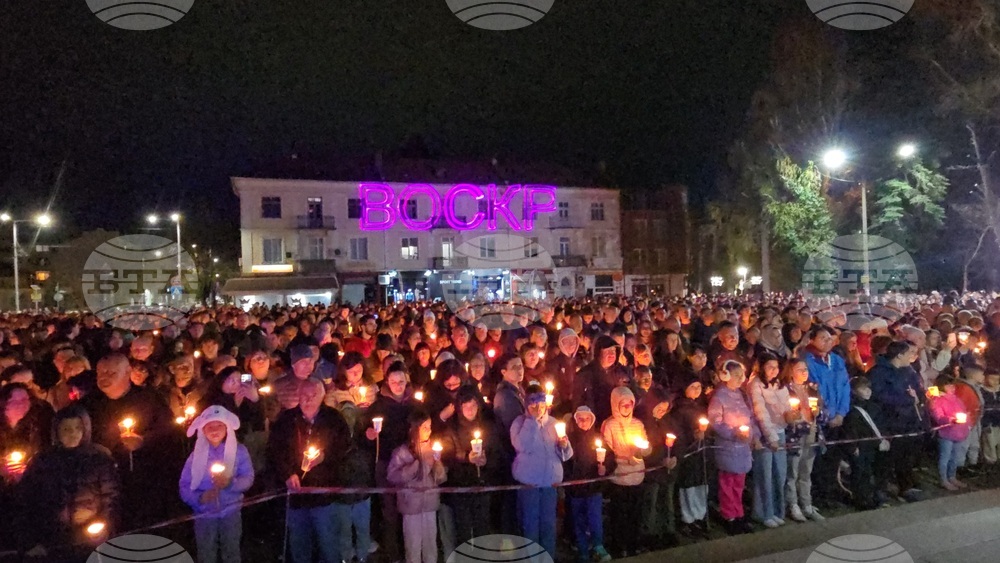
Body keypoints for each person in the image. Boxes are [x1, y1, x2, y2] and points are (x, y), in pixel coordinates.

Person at [15, 405, 119, 561]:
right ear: (56, 431)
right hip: (52, 539)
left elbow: (111, 497)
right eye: (66, 429)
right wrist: (30, 540)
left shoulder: (99, 458)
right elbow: (27, 501)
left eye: (78, 428)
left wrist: (105, 527)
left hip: (89, 537)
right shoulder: (43, 461)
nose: (73, 434)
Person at [266, 377, 353, 563]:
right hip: (297, 496)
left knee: (329, 545)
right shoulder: (287, 420)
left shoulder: (334, 419)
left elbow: (345, 447)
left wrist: (325, 456)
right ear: (298, 395)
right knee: (299, 546)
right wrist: (287, 474)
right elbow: (275, 451)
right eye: (305, 394)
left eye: (314, 395)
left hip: (324, 495)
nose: (309, 399)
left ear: (322, 396)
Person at [179, 405, 255, 563]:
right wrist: (199, 498)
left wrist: (230, 484)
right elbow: (184, 485)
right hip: (204, 513)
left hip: (231, 511)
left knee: (231, 551)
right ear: (203, 430)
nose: (215, 430)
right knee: (206, 552)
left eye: (219, 425)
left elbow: (248, 477)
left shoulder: (238, 452)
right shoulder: (196, 456)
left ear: (227, 427)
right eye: (210, 426)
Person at [511, 384, 573, 559]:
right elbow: (522, 446)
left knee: (548, 526)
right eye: (533, 405)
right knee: (530, 527)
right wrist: (532, 422)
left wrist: (564, 445)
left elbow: (566, 455)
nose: (538, 408)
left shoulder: (553, 423)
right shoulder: (519, 423)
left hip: (549, 484)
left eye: (541, 404)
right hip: (530, 484)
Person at [440, 386, 498, 552]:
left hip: (483, 484)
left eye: (473, 405)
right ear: (459, 408)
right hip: (461, 486)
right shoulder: (452, 429)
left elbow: (497, 453)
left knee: (482, 527)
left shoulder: (488, 427)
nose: (470, 410)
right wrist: (466, 458)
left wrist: (486, 462)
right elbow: (447, 455)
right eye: (466, 406)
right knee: (463, 529)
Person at [387, 410, 448, 563]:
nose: (429, 431)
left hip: (429, 505)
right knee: (413, 545)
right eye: (425, 427)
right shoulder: (402, 452)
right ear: (414, 429)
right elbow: (392, 476)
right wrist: (415, 465)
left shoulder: (433, 449)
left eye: (430, 427)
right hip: (411, 506)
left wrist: (438, 464)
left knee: (430, 545)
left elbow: (441, 478)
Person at [869, 341, 925, 502]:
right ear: (899, 355)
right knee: (885, 459)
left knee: (905, 456)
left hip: (908, 421)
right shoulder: (879, 373)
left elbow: (918, 389)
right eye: (909, 353)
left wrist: (919, 397)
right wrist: (907, 400)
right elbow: (879, 396)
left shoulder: (909, 371)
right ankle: (881, 488)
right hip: (888, 421)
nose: (912, 357)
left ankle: (905, 486)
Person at [708, 360, 757, 535]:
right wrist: (733, 433)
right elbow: (715, 422)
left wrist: (754, 435)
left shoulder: (743, 395)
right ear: (725, 375)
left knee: (739, 483)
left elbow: (750, 418)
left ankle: (739, 513)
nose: (739, 379)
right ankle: (729, 516)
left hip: (743, 448)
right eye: (736, 375)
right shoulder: (719, 397)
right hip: (728, 447)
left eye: (741, 375)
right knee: (727, 484)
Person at [565, 405, 615, 563]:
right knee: (578, 519)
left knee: (595, 518)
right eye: (580, 419)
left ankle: (598, 546)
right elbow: (564, 461)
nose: (584, 422)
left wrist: (604, 469)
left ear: (592, 420)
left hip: (594, 488)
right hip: (576, 488)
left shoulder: (597, 439)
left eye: (587, 419)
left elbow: (610, 459)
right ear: (575, 420)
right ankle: (582, 550)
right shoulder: (570, 439)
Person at [748, 353, 790, 528]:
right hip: (764, 433)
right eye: (770, 367)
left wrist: (791, 416)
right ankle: (763, 512)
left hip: (780, 430)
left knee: (779, 473)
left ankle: (777, 511)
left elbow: (786, 406)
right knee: (764, 474)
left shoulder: (779, 384)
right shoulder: (755, 385)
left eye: (776, 367)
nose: (774, 370)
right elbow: (761, 413)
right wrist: (771, 436)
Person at [636, 385, 680, 549]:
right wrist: (658, 460)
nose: (662, 411)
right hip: (652, 471)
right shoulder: (643, 422)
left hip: (667, 470)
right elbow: (645, 448)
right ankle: (649, 533)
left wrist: (675, 456)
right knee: (651, 503)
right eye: (659, 408)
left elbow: (678, 441)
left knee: (667, 501)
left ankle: (668, 530)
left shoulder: (667, 421)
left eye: (665, 408)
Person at [781, 359, 824, 522]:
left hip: (812, 433)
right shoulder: (785, 390)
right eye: (799, 370)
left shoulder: (812, 389)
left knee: (806, 471)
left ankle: (807, 503)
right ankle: (792, 504)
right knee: (793, 471)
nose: (804, 372)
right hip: (795, 434)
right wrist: (791, 417)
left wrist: (818, 412)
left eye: (805, 369)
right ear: (791, 372)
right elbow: (783, 414)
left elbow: (822, 412)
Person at [843, 377, 889, 510]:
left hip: (874, 445)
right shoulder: (852, 409)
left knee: (873, 471)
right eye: (863, 388)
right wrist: (853, 446)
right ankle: (861, 499)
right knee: (861, 472)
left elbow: (881, 424)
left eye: (868, 388)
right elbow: (850, 430)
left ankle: (874, 496)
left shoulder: (874, 407)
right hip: (861, 446)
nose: (867, 391)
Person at [929, 374, 972, 491]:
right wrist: (950, 419)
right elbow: (938, 417)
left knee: (955, 457)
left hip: (959, 432)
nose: (952, 387)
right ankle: (943, 479)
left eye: (953, 384)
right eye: (949, 385)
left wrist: (967, 425)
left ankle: (952, 476)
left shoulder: (957, 399)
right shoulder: (937, 400)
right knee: (945, 457)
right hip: (946, 433)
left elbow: (964, 411)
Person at [981, 369, 1000, 468]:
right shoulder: (982, 390)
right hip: (988, 420)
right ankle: (990, 461)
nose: (995, 382)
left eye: (997, 380)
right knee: (990, 442)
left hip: (998, 419)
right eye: (992, 379)